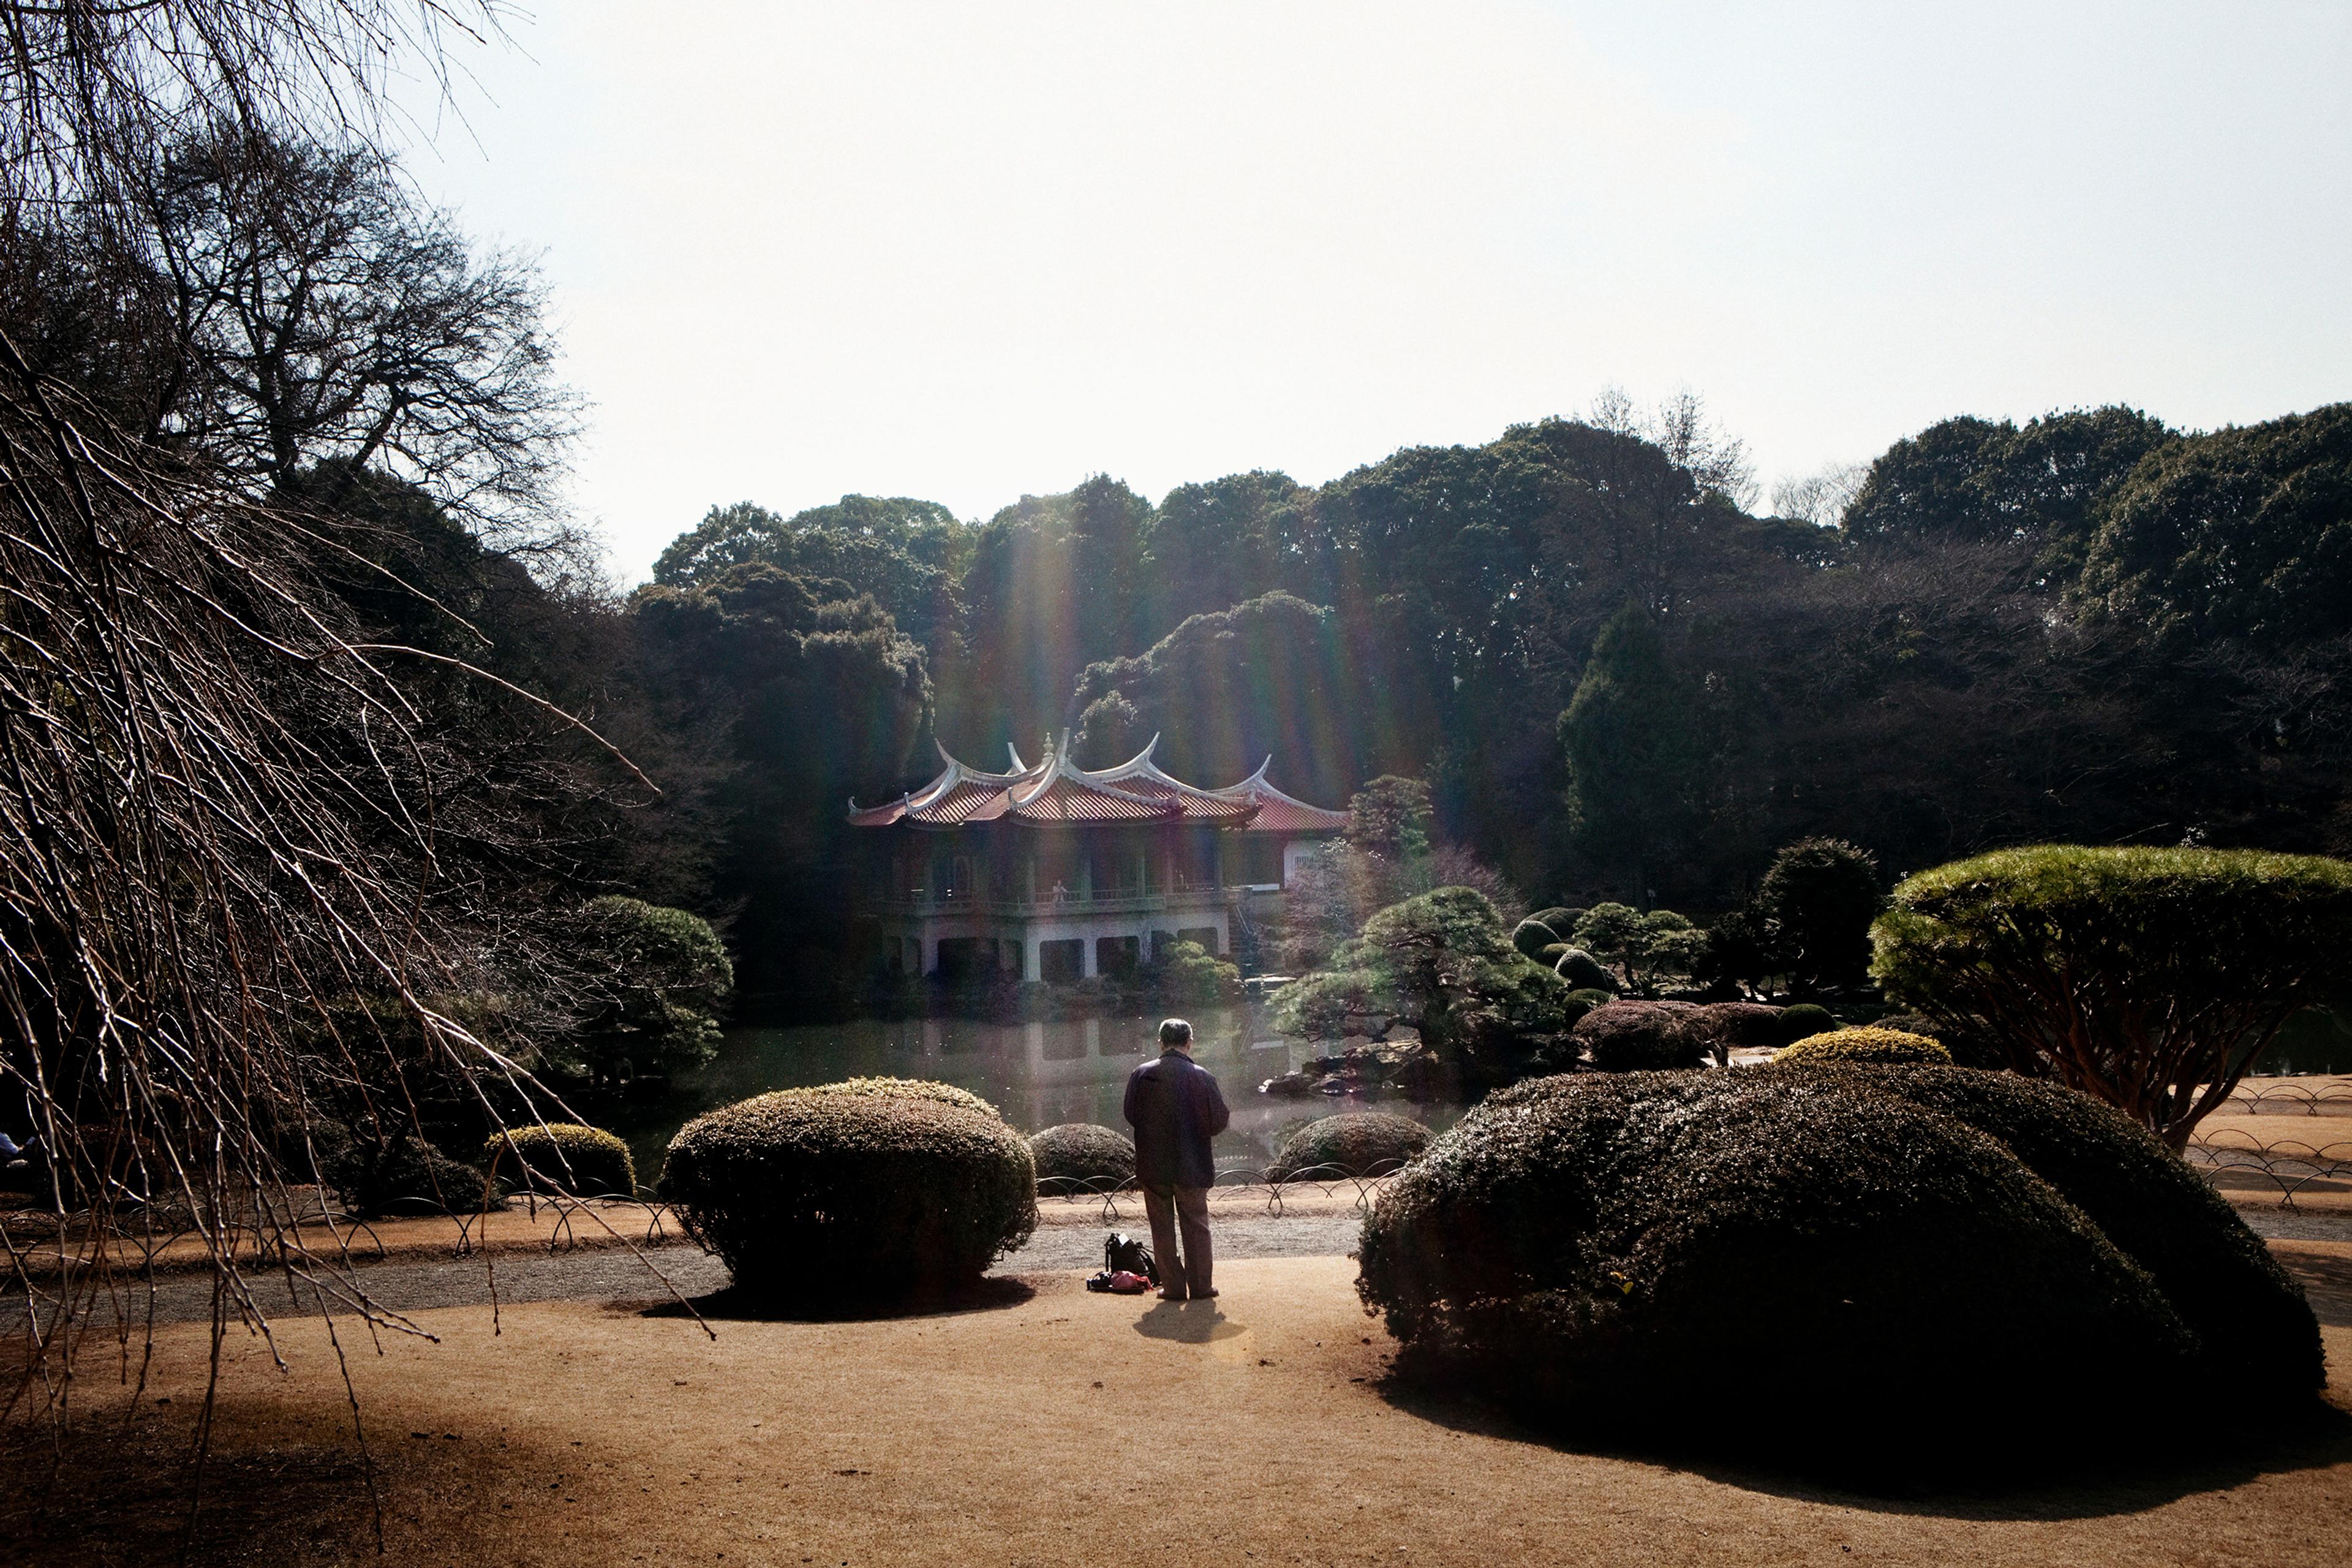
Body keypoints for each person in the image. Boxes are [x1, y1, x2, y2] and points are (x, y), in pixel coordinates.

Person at [1122, 1017, 1229, 1302]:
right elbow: (1219, 1121)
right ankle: (1201, 1286)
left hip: (1154, 1164)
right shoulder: (1203, 1077)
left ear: (1161, 1043)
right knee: (1196, 1224)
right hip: (1192, 1162)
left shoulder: (1142, 1075)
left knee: (1162, 1227)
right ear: (1189, 1043)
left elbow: (1131, 1115)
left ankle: (1173, 1287)